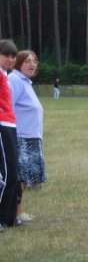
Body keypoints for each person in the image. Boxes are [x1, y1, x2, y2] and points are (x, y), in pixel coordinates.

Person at [9, 50, 45, 225]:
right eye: (27, 61)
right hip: (20, 137)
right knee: (19, 178)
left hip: (31, 138)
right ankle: (14, 214)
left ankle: (18, 212)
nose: (32, 64)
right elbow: (7, 107)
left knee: (23, 179)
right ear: (18, 64)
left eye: (34, 61)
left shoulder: (25, 82)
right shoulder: (15, 80)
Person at [0, 39, 19, 229]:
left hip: (10, 125)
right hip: (2, 126)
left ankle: (10, 217)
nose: (11, 59)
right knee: (7, 173)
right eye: (6, 55)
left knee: (13, 171)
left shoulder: (5, 75)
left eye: (13, 56)